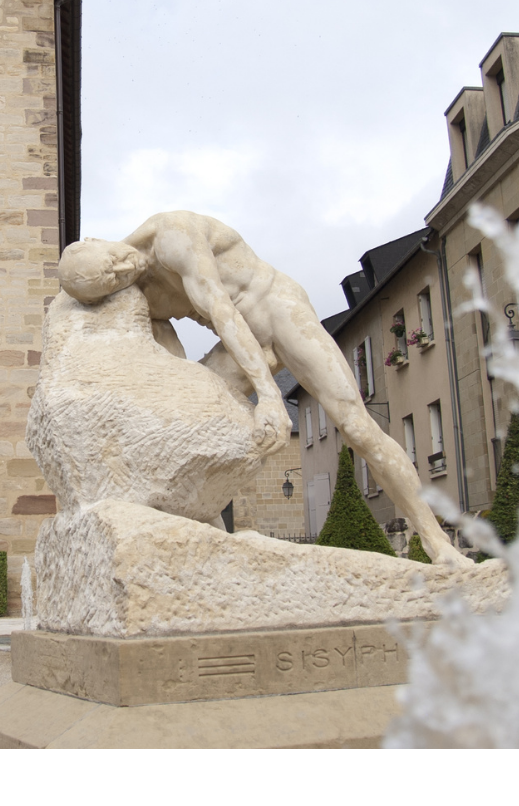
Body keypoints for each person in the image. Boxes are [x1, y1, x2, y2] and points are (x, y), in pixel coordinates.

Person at [59, 210, 470, 566]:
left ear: (98, 240)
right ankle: (211, 549)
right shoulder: (138, 298)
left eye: (113, 261)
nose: (123, 270)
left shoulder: (173, 234)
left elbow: (221, 310)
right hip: (235, 349)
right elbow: (170, 365)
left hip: (276, 312)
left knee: (358, 427)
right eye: (111, 280)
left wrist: (270, 394)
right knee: (193, 429)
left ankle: (437, 543)